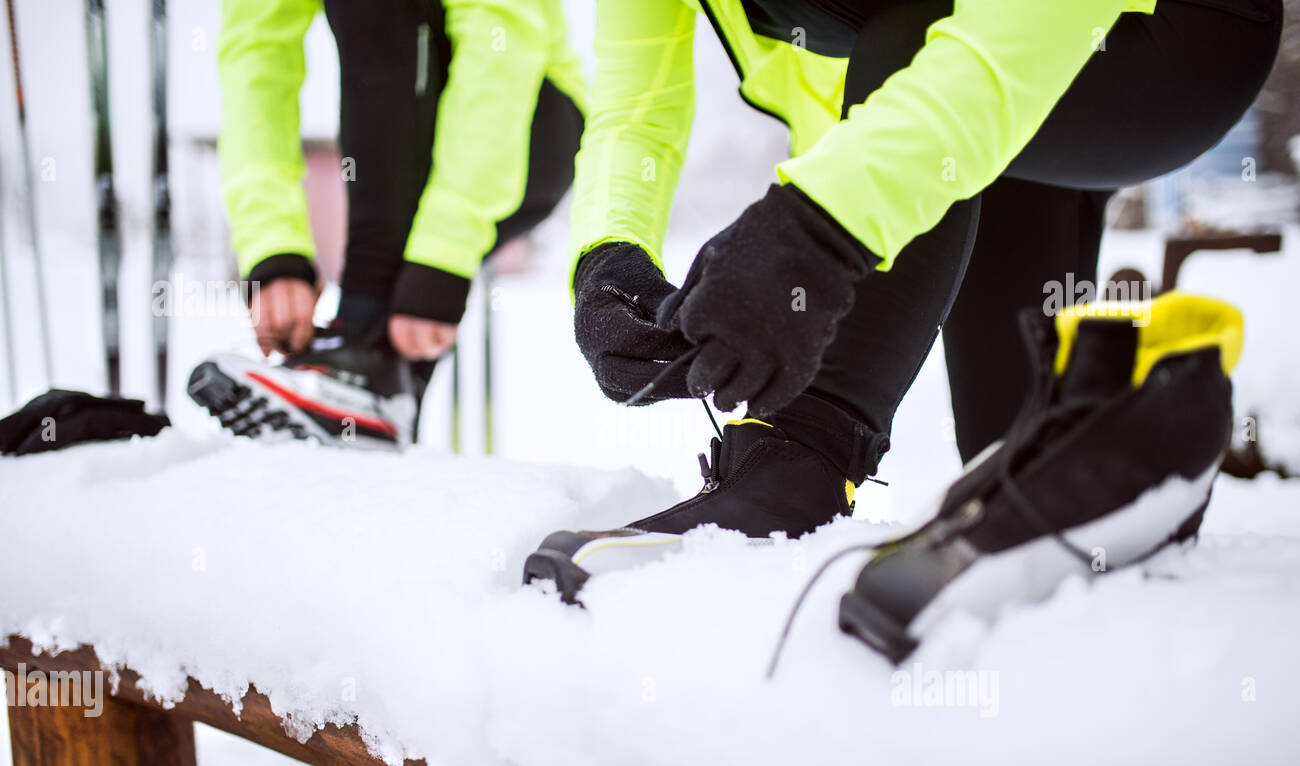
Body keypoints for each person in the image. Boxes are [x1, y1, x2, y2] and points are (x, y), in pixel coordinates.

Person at [523, 0, 1283, 609]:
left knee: (920, 41)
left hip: (1160, 28)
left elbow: (1007, 33)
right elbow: (635, 112)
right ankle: (1135, 467)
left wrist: (817, 229)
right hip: (970, 107)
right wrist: (608, 259)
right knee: (1014, 469)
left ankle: (796, 468)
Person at [188, 0, 585, 448]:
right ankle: (374, 400)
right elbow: (256, 56)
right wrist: (273, 250)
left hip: (526, 118)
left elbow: (502, 32)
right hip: (420, 143)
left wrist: (446, 251)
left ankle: (364, 365)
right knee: (385, 352)